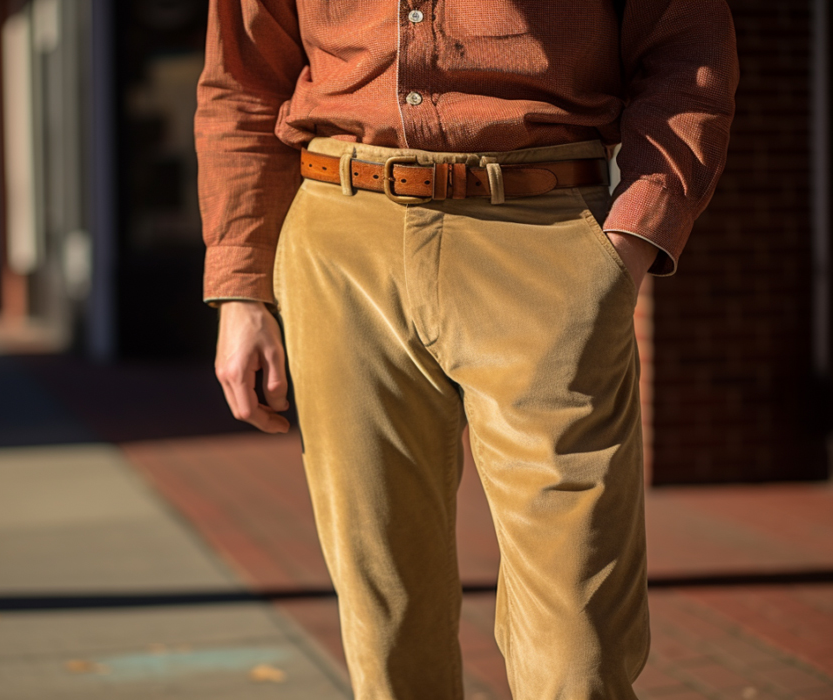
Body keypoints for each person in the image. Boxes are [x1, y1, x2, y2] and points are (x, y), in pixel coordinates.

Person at [195, 1, 738, 697]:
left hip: (542, 234)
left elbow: (687, 55)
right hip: (339, 238)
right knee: (386, 619)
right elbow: (240, 82)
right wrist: (241, 290)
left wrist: (627, 248)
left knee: (580, 641)